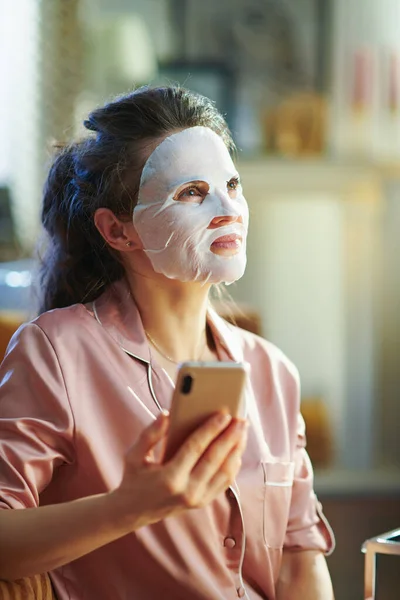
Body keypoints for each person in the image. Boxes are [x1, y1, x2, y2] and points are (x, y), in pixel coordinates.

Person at [0, 86, 335, 600]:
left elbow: (299, 564)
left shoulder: (272, 371)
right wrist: (130, 505)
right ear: (118, 231)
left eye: (232, 184)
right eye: (192, 192)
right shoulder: (56, 353)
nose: (228, 209)